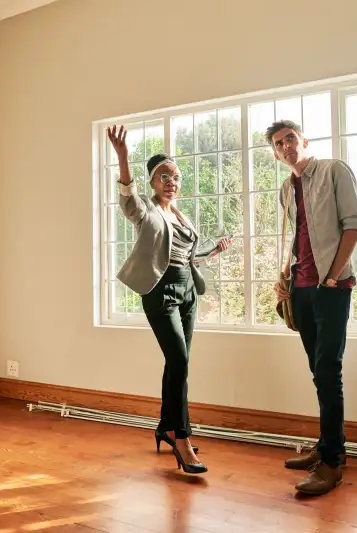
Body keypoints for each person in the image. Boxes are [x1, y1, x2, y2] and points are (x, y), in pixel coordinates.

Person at [106, 124, 232, 475]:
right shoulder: (146, 209)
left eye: (175, 176)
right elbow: (128, 201)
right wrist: (122, 158)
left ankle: (166, 426)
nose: (171, 181)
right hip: (160, 292)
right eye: (164, 176)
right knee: (178, 360)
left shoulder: (182, 215)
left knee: (178, 362)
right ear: (152, 181)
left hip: (187, 291)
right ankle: (181, 438)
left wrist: (213, 252)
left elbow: (185, 258)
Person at [268, 120, 357, 495]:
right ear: (276, 154)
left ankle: (332, 463)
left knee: (328, 371)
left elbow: (353, 226)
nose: (286, 146)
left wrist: (331, 278)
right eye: (279, 143)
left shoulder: (334, 171)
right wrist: (287, 277)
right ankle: (328, 446)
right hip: (302, 288)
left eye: (290, 138)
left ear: (303, 141)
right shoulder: (285, 189)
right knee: (318, 371)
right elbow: (298, 239)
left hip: (332, 287)